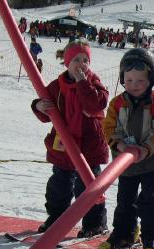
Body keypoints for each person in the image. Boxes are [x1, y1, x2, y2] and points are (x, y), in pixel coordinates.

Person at [31, 38, 109, 238]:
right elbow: (45, 110)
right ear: (67, 63)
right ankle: (57, 218)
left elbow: (95, 105)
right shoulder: (57, 85)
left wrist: (83, 83)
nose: (81, 64)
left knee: (89, 187)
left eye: (85, 60)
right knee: (59, 185)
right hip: (64, 145)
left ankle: (94, 224)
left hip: (89, 145)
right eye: (76, 59)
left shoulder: (93, 82)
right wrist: (38, 106)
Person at [100, 48, 154, 249]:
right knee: (125, 200)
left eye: (140, 81)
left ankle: (152, 238)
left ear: (151, 79)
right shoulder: (117, 103)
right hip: (126, 163)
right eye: (129, 80)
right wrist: (120, 145)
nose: (134, 86)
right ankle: (123, 233)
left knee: (150, 201)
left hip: (152, 161)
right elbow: (109, 128)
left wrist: (146, 148)